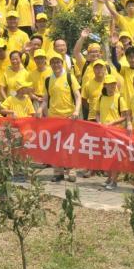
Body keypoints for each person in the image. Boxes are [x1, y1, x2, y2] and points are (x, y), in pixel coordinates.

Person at [42, 53, 81, 182]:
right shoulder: (48, 80)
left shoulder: (70, 77)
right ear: (50, 64)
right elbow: (45, 99)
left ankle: (71, 170)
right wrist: (40, 110)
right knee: (56, 146)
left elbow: (78, 96)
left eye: (58, 62)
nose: (56, 65)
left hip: (69, 117)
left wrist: (76, 111)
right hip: (54, 118)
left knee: (69, 145)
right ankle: (58, 172)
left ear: (62, 62)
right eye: (53, 63)